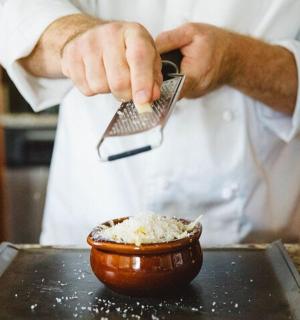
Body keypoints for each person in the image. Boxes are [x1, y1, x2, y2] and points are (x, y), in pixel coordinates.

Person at [0, 0, 299, 246]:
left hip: (255, 247)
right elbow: (17, 14)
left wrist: (239, 60)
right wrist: (74, 39)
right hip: (89, 231)